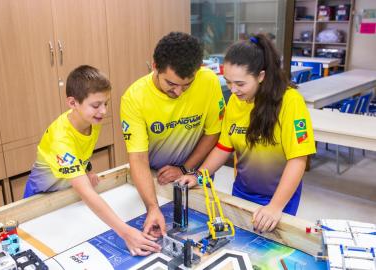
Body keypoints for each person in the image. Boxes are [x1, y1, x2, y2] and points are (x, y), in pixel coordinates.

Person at [177, 34, 316, 233]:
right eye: (228, 82)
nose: (233, 90)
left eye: (240, 84)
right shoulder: (235, 101)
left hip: (278, 197)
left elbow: (298, 160)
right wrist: (199, 176)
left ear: (261, 76)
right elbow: (224, 147)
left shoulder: (290, 102)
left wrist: (275, 207)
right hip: (242, 191)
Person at [24, 65, 160, 256]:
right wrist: (125, 232)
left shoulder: (91, 121)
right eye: (96, 105)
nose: (103, 111)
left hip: (67, 193)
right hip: (41, 198)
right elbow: (86, 192)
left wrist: (87, 169)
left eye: (106, 103)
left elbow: (81, 151)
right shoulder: (60, 138)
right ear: (73, 103)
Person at [120, 32, 225, 238]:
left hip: (196, 173)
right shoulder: (134, 97)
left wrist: (185, 168)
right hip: (157, 180)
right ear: (154, 66)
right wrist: (152, 207)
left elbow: (213, 133)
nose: (179, 93)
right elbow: (138, 158)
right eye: (171, 84)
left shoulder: (209, 82)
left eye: (187, 85)